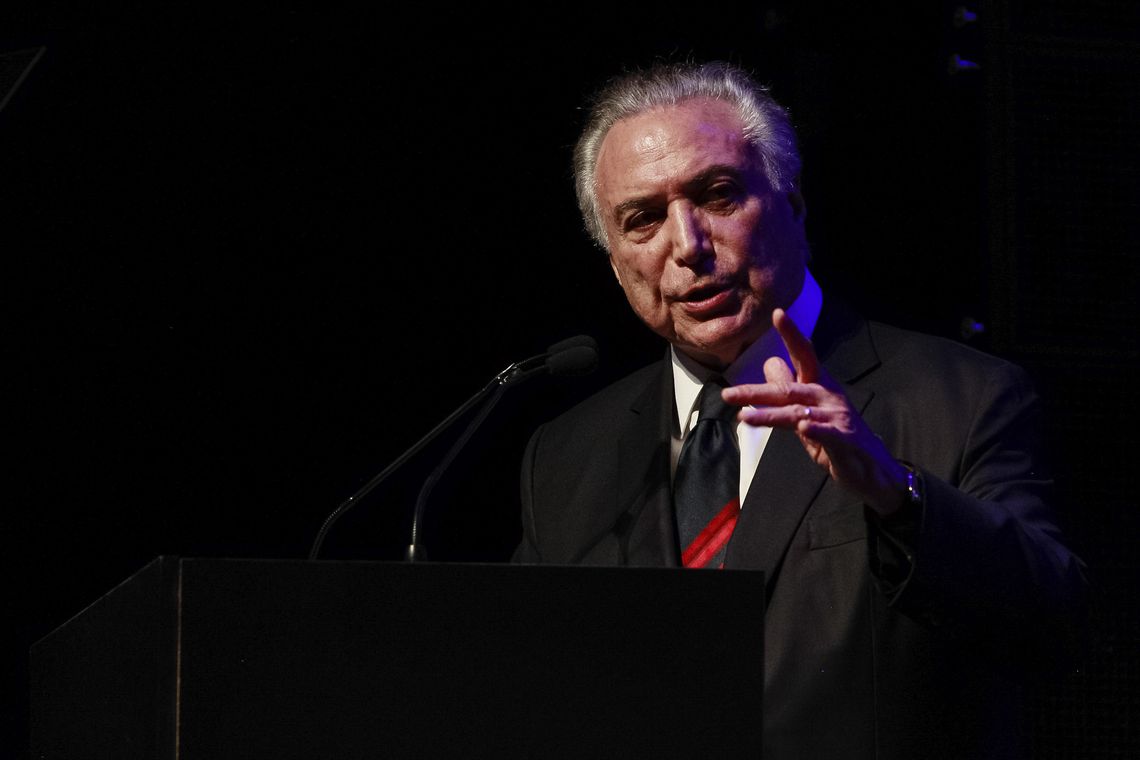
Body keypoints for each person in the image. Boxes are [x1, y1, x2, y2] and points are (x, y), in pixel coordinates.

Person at [511, 60, 1089, 759]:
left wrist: (894, 494)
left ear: (794, 204)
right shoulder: (566, 456)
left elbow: (1057, 625)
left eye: (718, 195)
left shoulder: (964, 397)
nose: (687, 245)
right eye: (644, 220)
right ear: (614, 262)